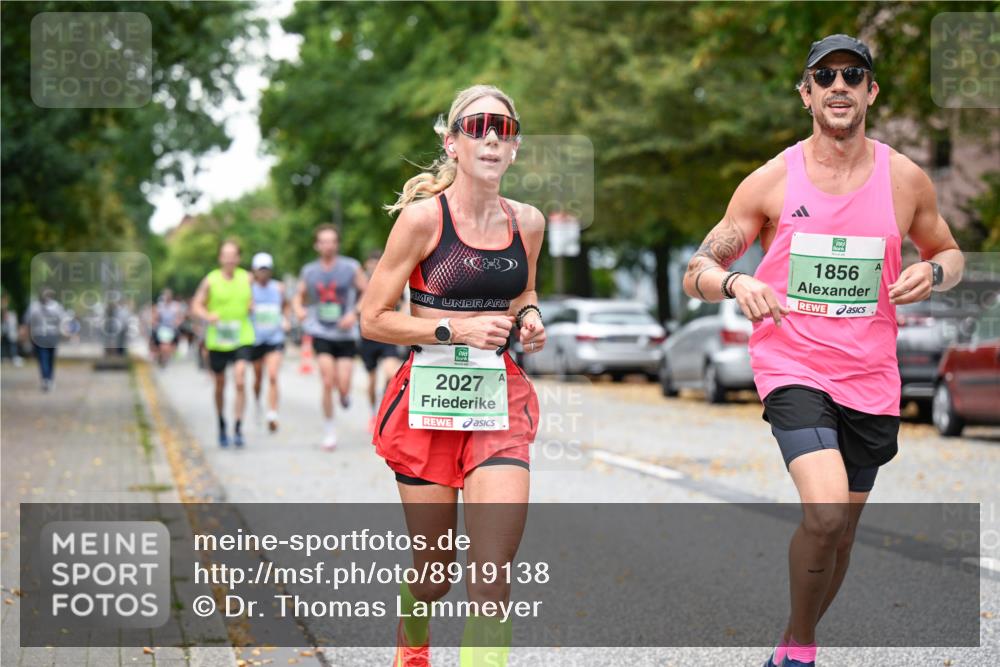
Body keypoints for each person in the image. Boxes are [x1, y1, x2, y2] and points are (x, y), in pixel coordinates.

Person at [682, 35, 963, 667]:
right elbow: (696, 268)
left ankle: (789, 642)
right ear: (806, 93)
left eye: (853, 74)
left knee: (841, 533)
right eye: (825, 76)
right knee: (827, 511)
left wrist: (936, 274)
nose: (840, 85)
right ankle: (803, 653)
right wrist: (736, 280)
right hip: (794, 364)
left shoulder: (906, 179)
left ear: (871, 92)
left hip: (871, 374)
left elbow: (947, 251)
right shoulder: (772, 180)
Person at [360, 85, 546, 667]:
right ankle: (413, 644)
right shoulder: (422, 221)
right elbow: (373, 319)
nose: (492, 135)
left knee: (491, 574)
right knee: (435, 573)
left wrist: (532, 318)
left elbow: (523, 292)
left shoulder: (529, 222)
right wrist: (453, 331)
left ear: (514, 148)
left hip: (498, 400)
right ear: (453, 143)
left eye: (504, 128)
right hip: (427, 402)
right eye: (478, 125)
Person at [292, 225, 368, 450]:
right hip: (321, 331)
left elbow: (368, 291)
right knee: (327, 381)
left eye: (332, 241)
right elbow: (299, 296)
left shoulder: (350, 267)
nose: (328, 245)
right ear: (317, 245)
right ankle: (329, 431)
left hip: (344, 334)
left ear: (337, 244)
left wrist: (353, 313)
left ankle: (344, 395)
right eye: (323, 241)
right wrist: (298, 309)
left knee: (343, 385)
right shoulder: (309, 271)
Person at [191, 239, 256, 448]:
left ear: (238, 258)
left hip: (242, 336)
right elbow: (196, 305)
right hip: (218, 339)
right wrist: (207, 315)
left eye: (233, 255)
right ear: (220, 258)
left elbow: (255, 300)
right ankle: (221, 423)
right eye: (225, 255)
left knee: (239, 379)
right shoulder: (211, 280)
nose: (229, 259)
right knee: (220, 384)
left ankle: (238, 427)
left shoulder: (248, 278)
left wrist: (252, 306)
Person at [357, 248, 408, 434]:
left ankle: (384, 409)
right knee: (371, 379)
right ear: (367, 265)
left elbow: (402, 301)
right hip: (368, 337)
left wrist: (401, 316)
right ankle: (372, 412)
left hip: (387, 335)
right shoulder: (362, 284)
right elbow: (357, 307)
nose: (375, 266)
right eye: (372, 263)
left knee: (390, 373)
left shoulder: (392, 280)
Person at [249, 252, 289, 432]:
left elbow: (286, 305)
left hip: (275, 337)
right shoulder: (249, 288)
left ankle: (272, 413)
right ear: (255, 271)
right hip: (256, 338)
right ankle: (258, 402)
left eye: (266, 270)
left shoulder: (279, 288)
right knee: (258, 377)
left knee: (273, 375)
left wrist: (286, 318)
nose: (263, 273)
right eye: (260, 270)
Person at [26, 288, 67, 392]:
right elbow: (63, 320)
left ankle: (46, 379)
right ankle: (49, 379)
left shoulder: (34, 306)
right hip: (52, 335)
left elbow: (27, 320)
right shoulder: (56, 306)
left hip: (39, 335)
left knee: (43, 358)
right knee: (50, 358)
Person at [150, 288, 183, 367]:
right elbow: (155, 317)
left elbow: (180, 317)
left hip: (172, 328)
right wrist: (154, 322)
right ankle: (154, 351)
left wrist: (177, 322)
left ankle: (175, 350)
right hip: (161, 327)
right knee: (153, 336)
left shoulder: (176, 306)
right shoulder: (160, 306)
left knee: (178, 336)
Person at [1, 292, 24, 367]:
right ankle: (5, 357)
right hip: (5, 327)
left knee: (12, 343)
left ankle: (13, 357)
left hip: (10, 328)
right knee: (5, 343)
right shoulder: (3, 306)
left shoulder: (10, 307)